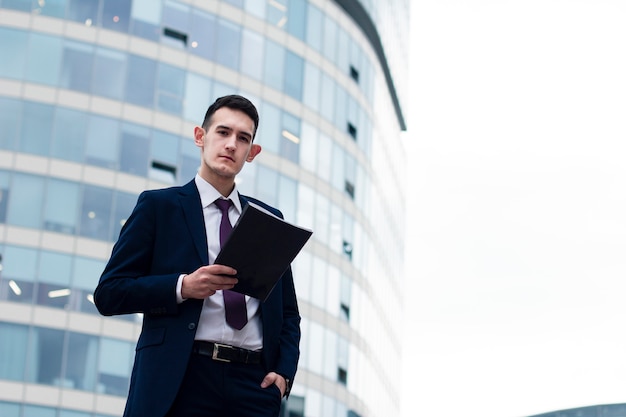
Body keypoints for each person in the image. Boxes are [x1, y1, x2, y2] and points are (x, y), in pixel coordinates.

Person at [94, 95, 301, 417]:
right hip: (181, 377)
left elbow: (287, 312)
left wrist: (283, 374)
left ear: (252, 153)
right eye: (223, 132)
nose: (231, 144)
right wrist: (182, 287)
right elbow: (109, 294)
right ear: (200, 137)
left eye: (243, 138)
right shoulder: (158, 208)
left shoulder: (267, 219)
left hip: (253, 387)